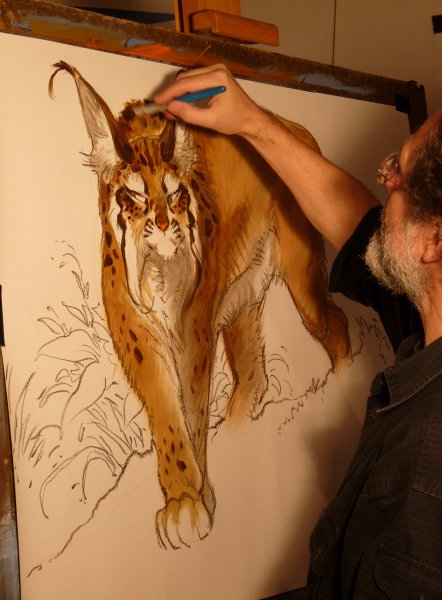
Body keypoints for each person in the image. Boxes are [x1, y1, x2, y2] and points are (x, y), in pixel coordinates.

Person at [154, 65, 442, 598]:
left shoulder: (425, 472)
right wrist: (251, 122)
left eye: (398, 174)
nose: (385, 181)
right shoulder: (425, 314)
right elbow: (358, 225)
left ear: (434, 241)